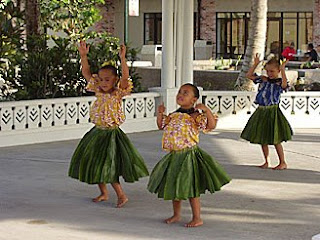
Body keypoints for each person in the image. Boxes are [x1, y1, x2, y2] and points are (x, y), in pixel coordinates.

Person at [68, 41, 149, 208]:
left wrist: (123, 59)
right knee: (95, 162)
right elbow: (86, 72)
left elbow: (126, 77)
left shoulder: (118, 93)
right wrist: (83, 56)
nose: (103, 82)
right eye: (101, 79)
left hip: (111, 134)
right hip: (97, 132)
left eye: (107, 79)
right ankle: (103, 192)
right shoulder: (97, 88)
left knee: (108, 165)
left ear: (115, 81)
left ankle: (121, 195)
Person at [148, 83, 231, 227]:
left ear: (194, 100)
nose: (180, 94)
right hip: (174, 156)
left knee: (192, 188)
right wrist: (160, 113)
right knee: (175, 186)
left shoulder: (195, 116)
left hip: (188, 156)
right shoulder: (174, 115)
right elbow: (161, 126)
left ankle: (197, 217)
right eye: (180, 92)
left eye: (185, 93)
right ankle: (176, 214)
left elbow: (210, 126)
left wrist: (207, 110)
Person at [241, 54, 293, 170]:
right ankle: (266, 161)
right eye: (268, 71)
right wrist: (255, 64)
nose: (269, 73)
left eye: (272, 71)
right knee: (262, 137)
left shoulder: (279, 82)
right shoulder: (263, 80)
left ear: (278, 71)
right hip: (261, 110)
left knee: (276, 138)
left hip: (272, 112)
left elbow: (285, 85)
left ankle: (282, 162)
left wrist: (283, 71)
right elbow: (249, 75)